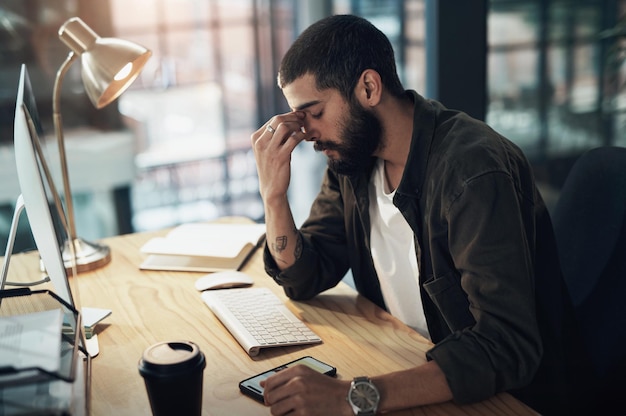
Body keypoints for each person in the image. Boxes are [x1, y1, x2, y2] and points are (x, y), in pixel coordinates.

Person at [251, 14, 584, 416]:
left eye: (314, 113)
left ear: (369, 88)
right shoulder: (353, 160)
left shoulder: (472, 169)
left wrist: (351, 397)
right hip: (406, 365)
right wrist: (273, 197)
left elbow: (505, 346)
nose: (307, 135)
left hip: (499, 399)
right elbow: (304, 276)